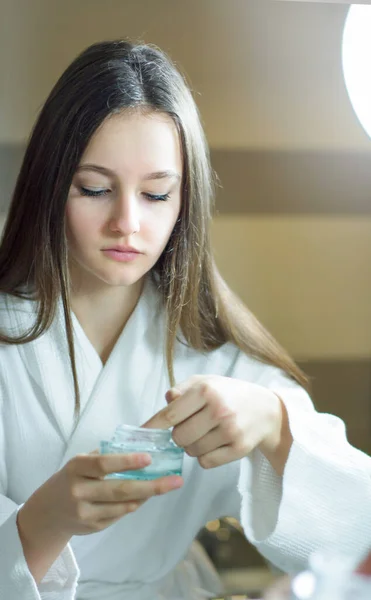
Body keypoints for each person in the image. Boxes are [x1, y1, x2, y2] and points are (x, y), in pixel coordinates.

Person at [0, 40, 370, 600]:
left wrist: (274, 425)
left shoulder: (214, 351)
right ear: (50, 186)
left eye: (156, 194)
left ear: (185, 201)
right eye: (95, 189)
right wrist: (38, 526)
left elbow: (357, 532)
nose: (126, 223)